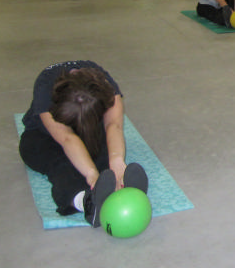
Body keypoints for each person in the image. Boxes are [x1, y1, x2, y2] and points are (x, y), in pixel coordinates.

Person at [18, 60, 148, 227]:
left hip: (91, 132)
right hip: (46, 136)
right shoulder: (45, 86)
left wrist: (117, 161)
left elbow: (113, 125)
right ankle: (85, 201)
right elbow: (67, 138)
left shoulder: (105, 84)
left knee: (104, 155)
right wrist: (91, 174)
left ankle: (120, 185)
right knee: (61, 166)